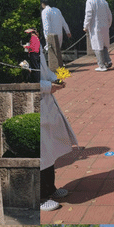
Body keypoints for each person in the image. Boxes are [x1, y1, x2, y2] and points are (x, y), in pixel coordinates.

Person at [40, 47, 77, 212]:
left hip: (46, 103)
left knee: (49, 150)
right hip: (36, 102)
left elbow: (44, 70)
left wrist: (55, 79)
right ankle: (40, 197)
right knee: (41, 153)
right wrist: (47, 86)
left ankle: (50, 189)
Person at [84, 0, 112, 71]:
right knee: (104, 45)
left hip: (95, 27)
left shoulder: (90, 1)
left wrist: (85, 26)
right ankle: (108, 61)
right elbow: (109, 15)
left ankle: (102, 65)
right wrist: (109, 24)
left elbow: (88, 15)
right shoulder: (104, 1)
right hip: (105, 26)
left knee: (97, 46)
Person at [41, 0, 71, 69]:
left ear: (42, 4)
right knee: (58, 50)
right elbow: (63, 22)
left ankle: (54, 67)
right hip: (59, 34)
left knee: (51, 52)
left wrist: (47, 36)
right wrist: (67, 31)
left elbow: (46, 26)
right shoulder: (57, 10)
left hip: (51, 35)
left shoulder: (45, 11)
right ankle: (60, 64)